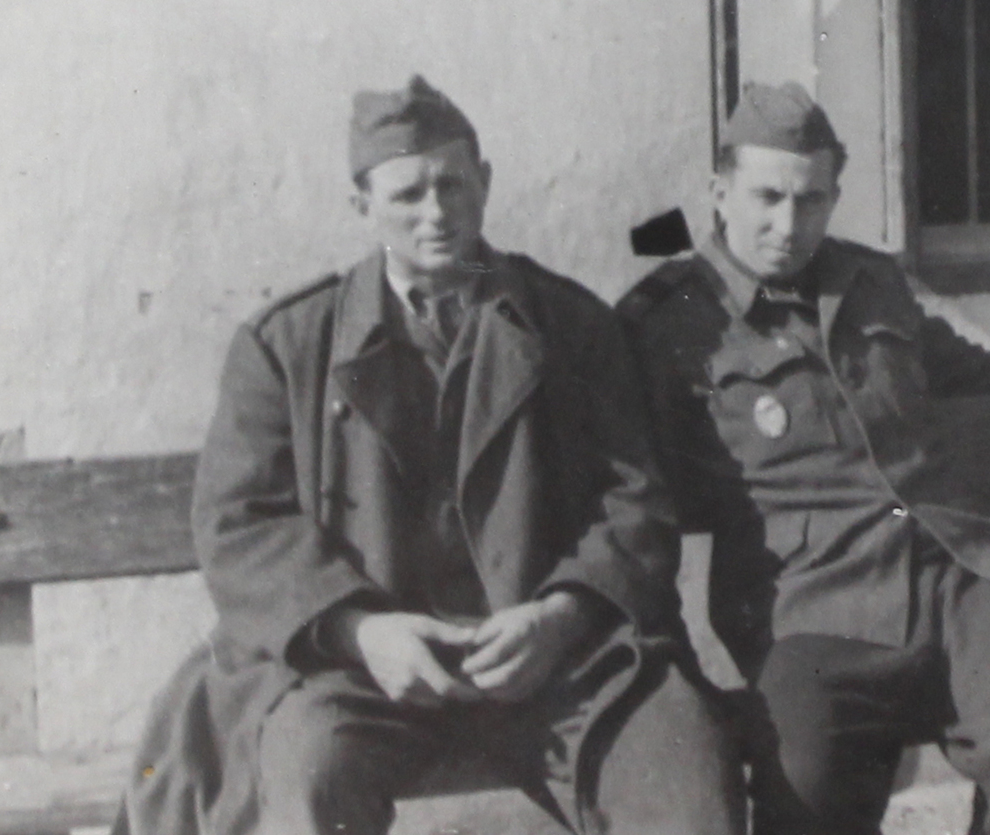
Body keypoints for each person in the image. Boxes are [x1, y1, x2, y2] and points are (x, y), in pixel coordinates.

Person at [118, 76, 743, 835]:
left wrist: (560, 615)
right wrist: (360, 631)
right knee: (304, 778)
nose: (437, 212)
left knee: (683, 768)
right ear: (362, 205)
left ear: (486, 182)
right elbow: (239, 525)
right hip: (357, 674)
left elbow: (634, 500)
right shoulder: (287, 347)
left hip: (558, 664)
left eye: (453, 185)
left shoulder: (571, 325)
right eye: (408, 194)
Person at [616, 82, 990, 835]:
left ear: (834, 197)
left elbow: (979, 372)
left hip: (962, 568)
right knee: (802, 790)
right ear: (719, 192)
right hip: (809, 600)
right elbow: (614, 470)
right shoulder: (667, 322)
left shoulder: (873, 284)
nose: (789, 224)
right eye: (768, 197)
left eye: (811, 199)